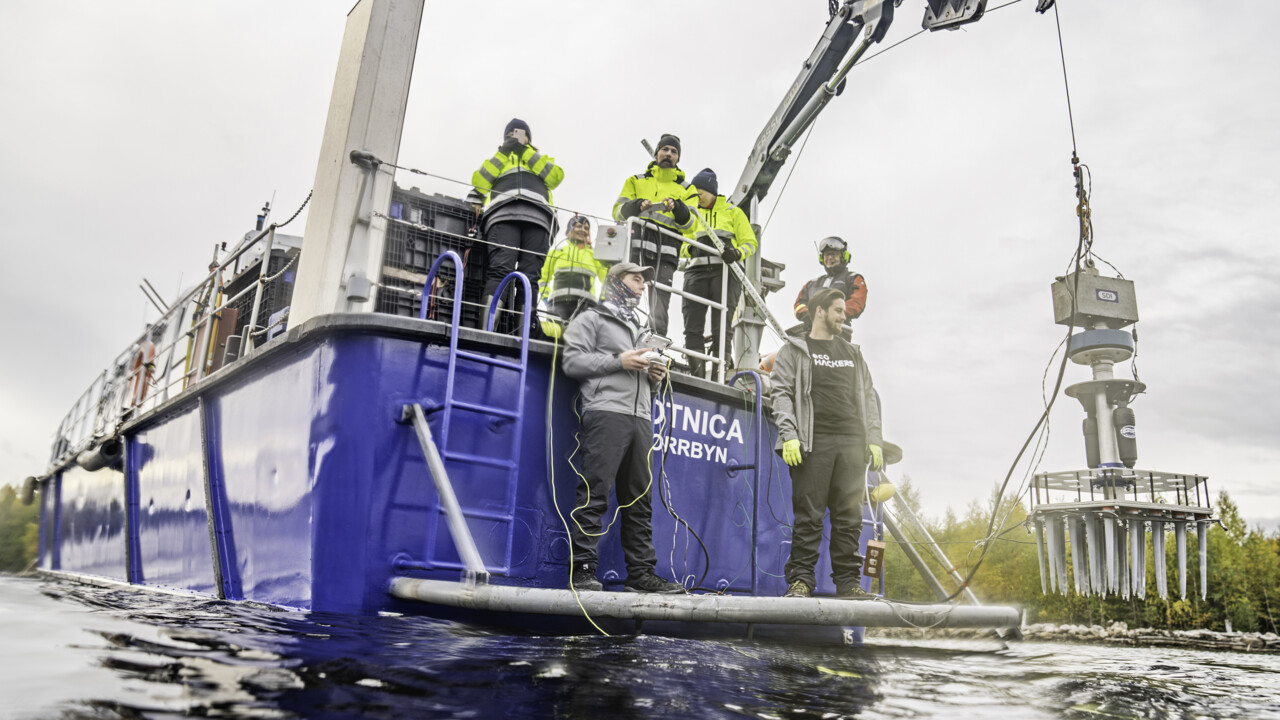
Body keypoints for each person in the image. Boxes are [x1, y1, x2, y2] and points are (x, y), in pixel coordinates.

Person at [560, 262, 685, 594]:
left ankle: (641, 573)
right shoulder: (591, 319)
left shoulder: (641, 329)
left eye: (644, 281)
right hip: (605, 413)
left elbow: (641, 378)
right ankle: (583, 570)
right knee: (595, 491)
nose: (642, 286)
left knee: (639, 500)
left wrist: (655, 379)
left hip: (641, 418)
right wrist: (619, 360)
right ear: (616, 282)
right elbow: (571, 362)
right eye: (636, 279)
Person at [770, 287, 885, 600]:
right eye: (838, 311)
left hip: (852, 445)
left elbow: (869, 398)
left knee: (849, 520)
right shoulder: (794, 350)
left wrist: (874, 439)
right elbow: (779, 393)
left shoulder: (853, 353)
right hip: (813, 443)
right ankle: (801, 583)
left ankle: (848, 585)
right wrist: (789, 434)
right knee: (809, 517)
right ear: (819, 311)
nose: (843, 317)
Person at [471, 118, 564, 330]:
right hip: (503, 216)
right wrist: (505, 152)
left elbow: (556, 177)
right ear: (505, 139)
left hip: (539, 219)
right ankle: (487, 330)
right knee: (500, 270)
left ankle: (523, 334)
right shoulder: (499, 159)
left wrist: (525, 152)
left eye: (520, 134)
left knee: (529, 277)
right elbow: (479, 182)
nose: (516, 137)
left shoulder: (540, 159)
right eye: (511, 135)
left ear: (528, 139)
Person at [612, 134, 695, 338]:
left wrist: (678, 208)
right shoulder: (635, 181)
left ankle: (654, 348)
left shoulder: (687, 189)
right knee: (627, 296)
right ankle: (620, 337)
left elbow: (692, 225)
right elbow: (617, 212)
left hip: (666, 254)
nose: (668, 154)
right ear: (657, 152)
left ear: (678, 158)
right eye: (665, 149)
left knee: (660, 305)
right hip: (636, 248)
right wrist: (636, 205)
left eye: (673, 151)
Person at [680, 168, 757, 379]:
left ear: (711, 191)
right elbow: (680, 242)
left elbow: (750, 243)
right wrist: (690, 249)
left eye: (700, 192)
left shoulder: (733, 212)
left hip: (724, 273)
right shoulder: (692, 212)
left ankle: (717, 376)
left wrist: (737, 253)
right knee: (692, 326)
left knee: (721, 328)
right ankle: (696, 375)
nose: (697, 197)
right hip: (695, 272)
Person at [537, 214, 606, 338]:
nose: (583, 230)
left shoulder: (595, 255)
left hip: (587, 307)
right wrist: (546, 299)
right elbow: (542, 278)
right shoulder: (557, 252)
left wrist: (601, 303)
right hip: (557, 304)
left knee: (582, 341)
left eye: (586, 228)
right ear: (569, 230)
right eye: (578, 226)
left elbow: (607, 281)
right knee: (554, 339)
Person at [793, 236, 867, 339]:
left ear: (844, 256)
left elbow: (857, 304)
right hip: (810, 334)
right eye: (826, 255)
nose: (829, 258)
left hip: (838, 335)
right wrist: (810, 315)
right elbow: (799, 305)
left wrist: (831, 315)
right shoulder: (811, 284)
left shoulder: (853, 278)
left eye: (833, 254)